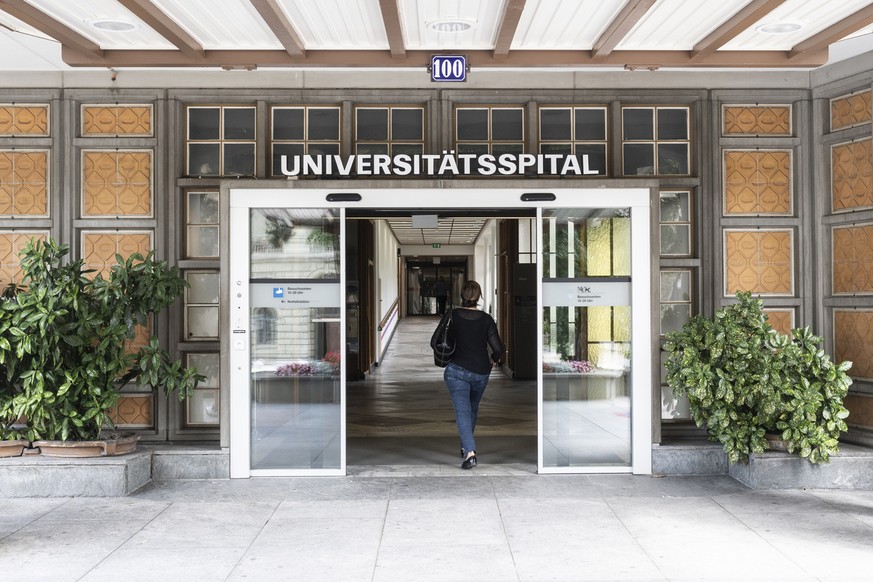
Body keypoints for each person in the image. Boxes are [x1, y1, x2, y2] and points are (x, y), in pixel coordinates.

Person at [435, 280, 504, 470]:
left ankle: (470, 452)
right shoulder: (486, 319)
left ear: (461, 296)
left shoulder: (453, 315)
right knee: (471, 409)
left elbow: (438, 340)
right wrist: (494, 360)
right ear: (479, 297)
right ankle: (467, 447)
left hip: (456, 370)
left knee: (463, 411)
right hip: (481, 372)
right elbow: (498, 348)